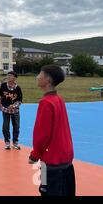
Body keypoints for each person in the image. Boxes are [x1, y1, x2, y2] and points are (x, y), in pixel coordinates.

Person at [29, 65, 75, 196]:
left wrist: (34, 155)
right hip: (65, 157)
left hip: (50, 161)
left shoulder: (46, 102)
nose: (37, 77)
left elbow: (42, 135)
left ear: (47, 79)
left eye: (40, 74)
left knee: (46, 192)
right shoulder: (59, 99)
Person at [0, 71, 23, 150]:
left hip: (15, 111)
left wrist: (13, 106)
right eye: (8, 75)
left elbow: (19, 100)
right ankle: (7, 142)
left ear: (14, 78)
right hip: (5, 110)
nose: (8, 77)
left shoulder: (18, 88)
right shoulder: (3, 86)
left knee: (16, 126)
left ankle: (15, 143)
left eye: (10, 76)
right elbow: (0, 96)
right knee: (5, 126)